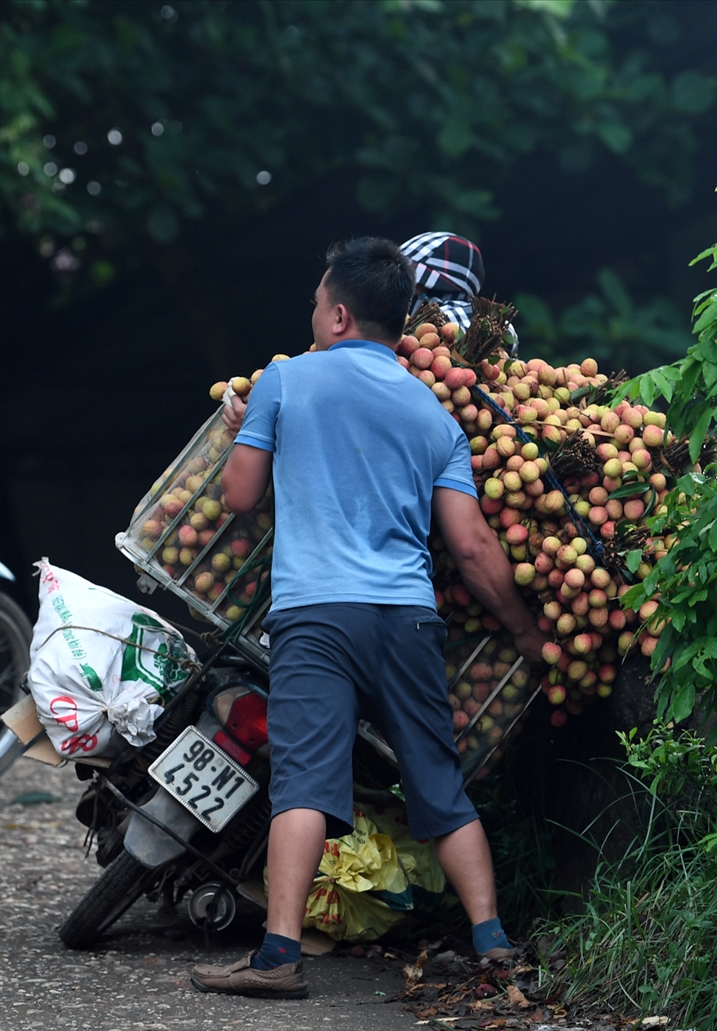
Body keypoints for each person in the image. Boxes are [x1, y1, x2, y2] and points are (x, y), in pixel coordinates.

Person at [192, 237, 550, 999]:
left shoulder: (287, 381)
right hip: (408, 620)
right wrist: (524, 630)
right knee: (440, 788)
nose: (312, 316)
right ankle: (495, 945)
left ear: (341, 314)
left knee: (303, 787)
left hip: (315, 618)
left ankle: (279, 956)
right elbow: (473, 544)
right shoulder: (433, 415)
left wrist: (243, 428)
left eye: (317, 306)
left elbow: (240, 497)